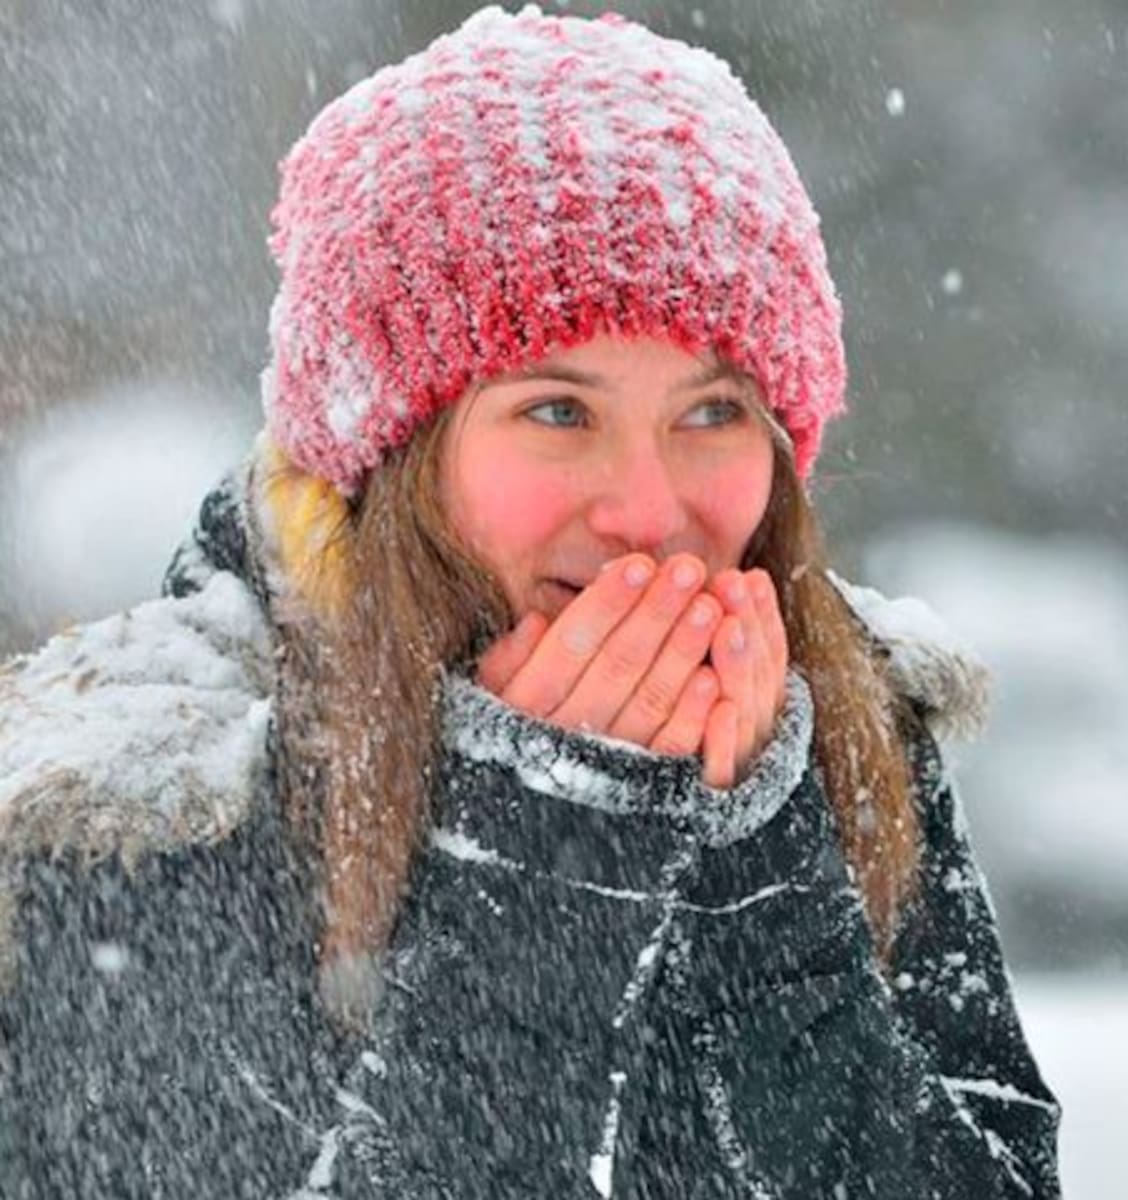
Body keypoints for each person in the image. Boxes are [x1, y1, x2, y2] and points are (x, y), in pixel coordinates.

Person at [0, 6, 1061, 1197]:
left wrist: (768, 877)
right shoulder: (150, 807)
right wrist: (547, 856)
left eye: (713, 413)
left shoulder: (841, 726)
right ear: (392, 457)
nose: (650, 513)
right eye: (559, 411)